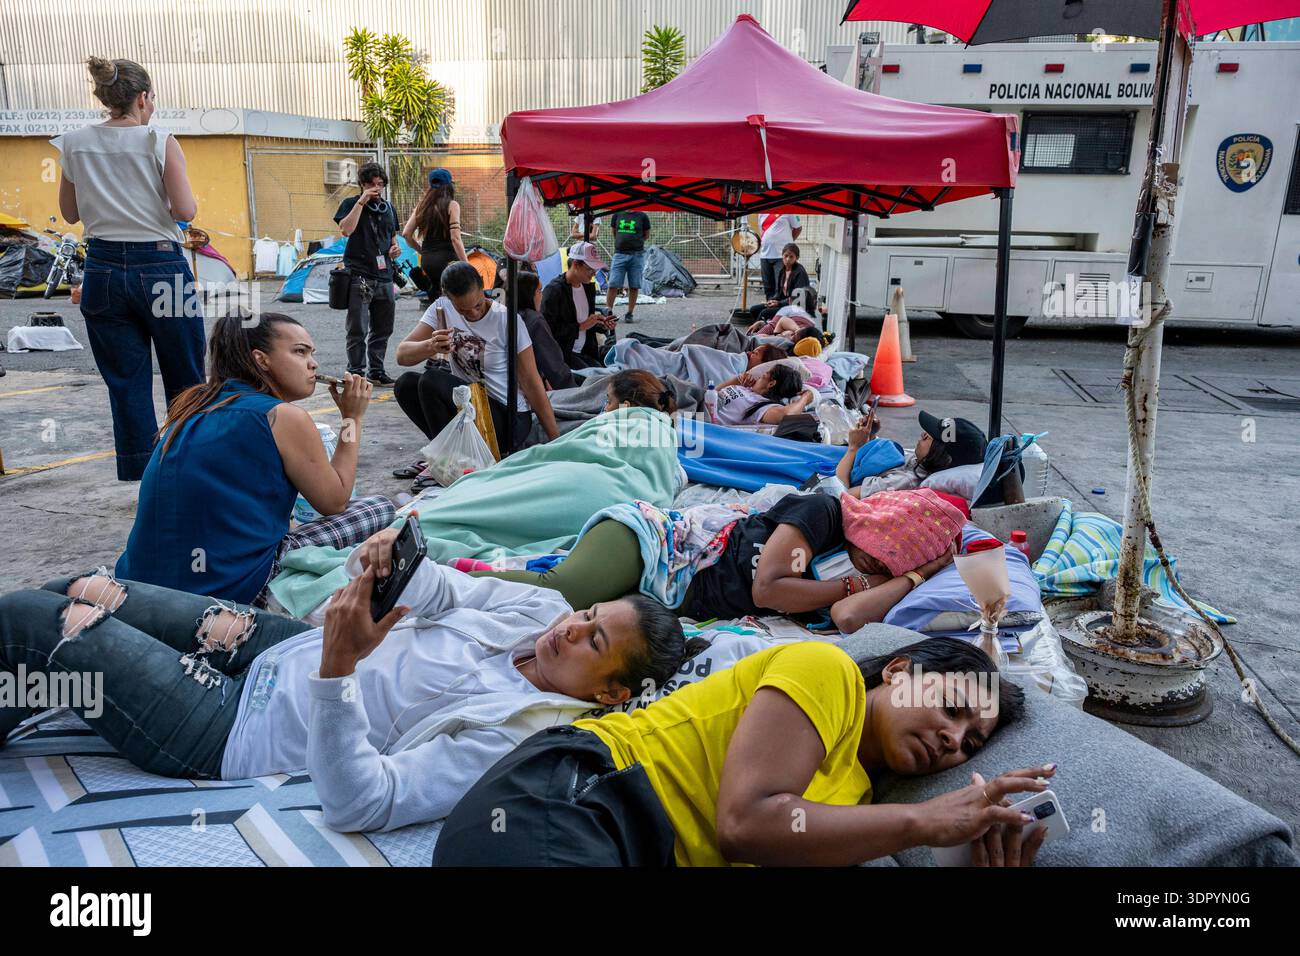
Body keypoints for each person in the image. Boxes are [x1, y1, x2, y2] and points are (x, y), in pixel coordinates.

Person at [0, 528, 687, 835]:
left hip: (233, 728)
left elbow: (368, 801)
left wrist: (339, 669)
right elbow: (446, 592)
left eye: (593, 639)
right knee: (84, 586)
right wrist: (396, 559)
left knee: (34, 622)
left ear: (610, 694)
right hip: (274, 647)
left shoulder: (518, 737)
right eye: (591, 614)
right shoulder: (541, 611)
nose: (572, 628)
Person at [435, 635, 1053, 866]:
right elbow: (745, 824)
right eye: (951, 709)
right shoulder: (826, 670)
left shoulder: (855, 801)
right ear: (898, 671)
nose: (952, 739)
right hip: (573, 800)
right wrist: (924, 822)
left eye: (970, 743)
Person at [115, 313, 394, 606]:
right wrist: (352, 418)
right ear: (261, 360)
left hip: (139, 585)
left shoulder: (192, 406)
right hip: (229, 587)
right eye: (300, 352)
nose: (313, 364)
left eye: (312, 353)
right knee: (379, 508)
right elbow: (334, 502)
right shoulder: (282, 416)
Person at [474, 488, 965, 633]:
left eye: (883, 568)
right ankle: (438, 576)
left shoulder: (867, 579)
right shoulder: (823, 513)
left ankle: (478, 573)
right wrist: (857, 584)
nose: (868, 567)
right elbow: (768, 590)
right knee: (563, 592)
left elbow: (847, 617)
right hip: (655, 548)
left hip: (659, 597)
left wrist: (916, 576)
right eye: (875, 557)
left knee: (538, 620)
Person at [52, 57, 205, 482]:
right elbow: (185, 210)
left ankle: (144, 472)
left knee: (126, 381)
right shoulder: (158, 139)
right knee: (185, 372)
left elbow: (68, 212)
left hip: (101, 268)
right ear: (143, 97)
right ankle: (187, 464)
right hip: (160, 266)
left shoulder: (73, 142)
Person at [394, 261, 560, 464]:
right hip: (468, 406)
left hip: (506, 418)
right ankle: (451, 457)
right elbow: (402, 355)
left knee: (431, 380)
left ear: (483, 287)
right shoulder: (440, 308)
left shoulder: (506, 320)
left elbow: (532, 382)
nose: (473, 314)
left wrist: (556, 441)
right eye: (463, 310)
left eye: (478, 305)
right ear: (448, 298)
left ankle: (447, 461)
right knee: (406, 384)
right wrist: (431, 345)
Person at [334, 161, 400, 387]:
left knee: (383, 327)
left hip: (384, 275)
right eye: (372, 184)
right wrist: (362, 201)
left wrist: (395, 249)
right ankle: (356, 372)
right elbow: (346, 229)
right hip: (359, 274)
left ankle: (377, 370)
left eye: (380, 184)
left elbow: (393, 237)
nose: (377, 188)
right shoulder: (351, 204)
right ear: (362, 184)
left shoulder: (389, 208)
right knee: (358, 327)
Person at [838, 410, 988, 498]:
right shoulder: (920, 461)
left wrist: (853, 447)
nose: (923, 434)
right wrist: (870, 436)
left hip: (840, 475)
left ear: (942, 457)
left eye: (930, 437)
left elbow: (841, 494)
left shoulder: (905, 482)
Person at [543, 241, 613, 369]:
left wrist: (601, 324)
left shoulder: (588, 288)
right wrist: (581, 326)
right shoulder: (554, 290)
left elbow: (587, 323)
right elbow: (547, 330)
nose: (594, 274)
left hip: (587, 351)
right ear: (576, 264)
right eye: (590, 269)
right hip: (564, 354)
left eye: (595, 270)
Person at [401, 167, 465, 298]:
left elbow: (406, 234)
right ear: (449, 185)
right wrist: (467, 264)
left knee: (436, 299)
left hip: (427, 261)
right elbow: (455, 239)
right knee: (454, 300)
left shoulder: (422, 207)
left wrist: (422, 251)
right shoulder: (452, 205)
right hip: (448, 260)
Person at [515, 269, 575, 391]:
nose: (541, 296)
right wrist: (575, 392)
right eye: (539, 291)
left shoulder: (507, 314)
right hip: (530, 390)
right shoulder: (534, 320)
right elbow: (553, 364)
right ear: (528, 294)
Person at [714, 364, 812, 427]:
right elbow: (713, 391)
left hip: (702, 418)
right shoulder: (746, 389)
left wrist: (806, 397)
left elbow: (785, 415)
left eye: (762, 376)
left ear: (771, 384)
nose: (758, 378)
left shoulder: (763, 405)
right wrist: (738, 379)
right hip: (701, 400)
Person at [747, 243, 810, 328]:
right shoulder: (782, 270)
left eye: (791, 257)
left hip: (795, 307)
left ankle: (759, 333)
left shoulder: (800, 272)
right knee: (754, 309)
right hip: (784, 303)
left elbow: (798, 298)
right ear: (782, 256)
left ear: (797, 258)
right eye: (786, 256)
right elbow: (779, 292)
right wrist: (773, 300)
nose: (788, 259)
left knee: (764, 313)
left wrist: (779, 303)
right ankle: (766, 328)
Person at [604, 209, 651, 322]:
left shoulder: (642, 216)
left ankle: (630, 313)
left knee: (634, 285)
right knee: (613, 284)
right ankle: (608, 311)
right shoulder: (617, 214)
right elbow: (614, 232)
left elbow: (646, 235)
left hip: (637, 255)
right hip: (619, 254)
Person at [757, 213, 802, 300]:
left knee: (781, 286)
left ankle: (780, 309)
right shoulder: (761, 212)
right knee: (767, 287)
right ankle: (770, 307)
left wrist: (788, 244)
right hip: (765, 255)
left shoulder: (788, 209)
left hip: (781, 256)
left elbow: (798, 228)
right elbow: (762, 231)